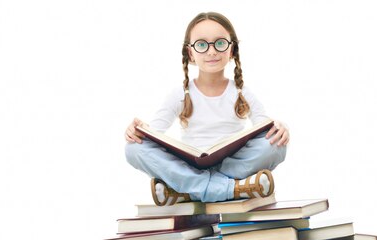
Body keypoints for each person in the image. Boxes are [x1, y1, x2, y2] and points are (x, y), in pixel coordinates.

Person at [124, 11, 290, 206]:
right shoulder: (180, 94)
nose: (212, 52)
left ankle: (190, 189)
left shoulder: (241, 92)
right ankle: (231, 188)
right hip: (188, 166)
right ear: (190, 53)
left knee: (277, 145)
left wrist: (280, 128)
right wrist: (137, 131)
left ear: (232, 50)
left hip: (233, 164)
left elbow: (265, 129)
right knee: (133, 149)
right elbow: (154, 134)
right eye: (202, 45)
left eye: (220, 43)